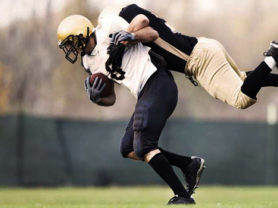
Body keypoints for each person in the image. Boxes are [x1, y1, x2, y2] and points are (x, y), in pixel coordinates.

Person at [56, 13, 205, 205]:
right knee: (128, 149)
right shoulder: (88, 62)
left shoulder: (108, 28)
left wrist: (131, 35)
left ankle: (183, 197)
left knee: (144, 146)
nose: (70, 48)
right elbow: (111, 99)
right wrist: (96, 98)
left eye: (70, 42)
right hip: (145, 93)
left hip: (158, 81)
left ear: (82, 33)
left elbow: (149, 29)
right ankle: (188, 164)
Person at [113, 4, 278, 109]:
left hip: (200, 60)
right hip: (204, 50)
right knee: (242, 79)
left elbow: (143, 21)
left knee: (241, 98)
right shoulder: (133, 31)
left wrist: (128, 36)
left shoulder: (127, 15)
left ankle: (273, 56)